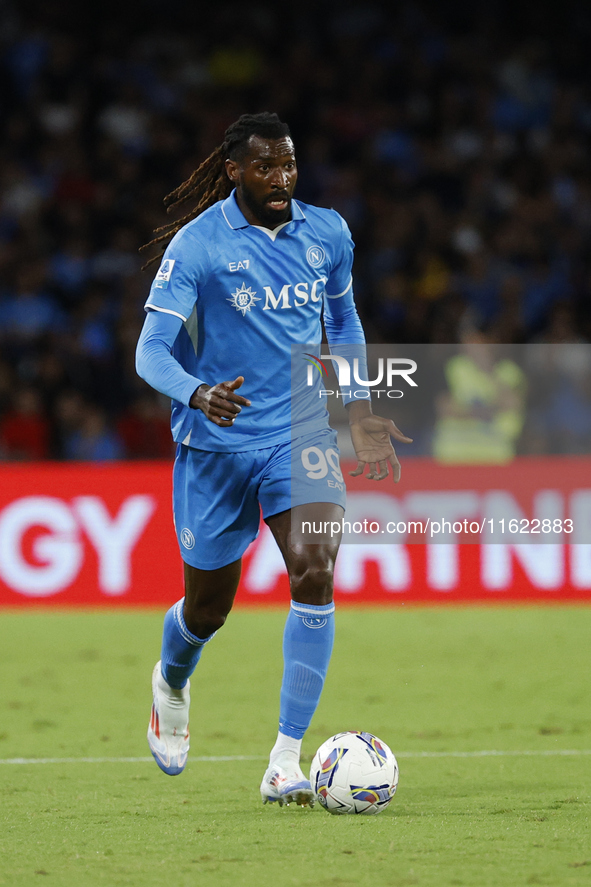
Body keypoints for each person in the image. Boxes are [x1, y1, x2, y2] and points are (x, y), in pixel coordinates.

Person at [135, 112, 410, 807]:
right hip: (215, 447)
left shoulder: (327, 233)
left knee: (314, 570)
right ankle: (171, 678)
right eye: (266, 166)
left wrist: (358, 409)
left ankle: (284, 759)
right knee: (207, 609)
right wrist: (196, 393)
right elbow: (149, 352)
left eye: (288, 164)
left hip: (301, 431)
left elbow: (342, 322)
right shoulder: (198, 246)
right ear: (235, 171)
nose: (282, 178)